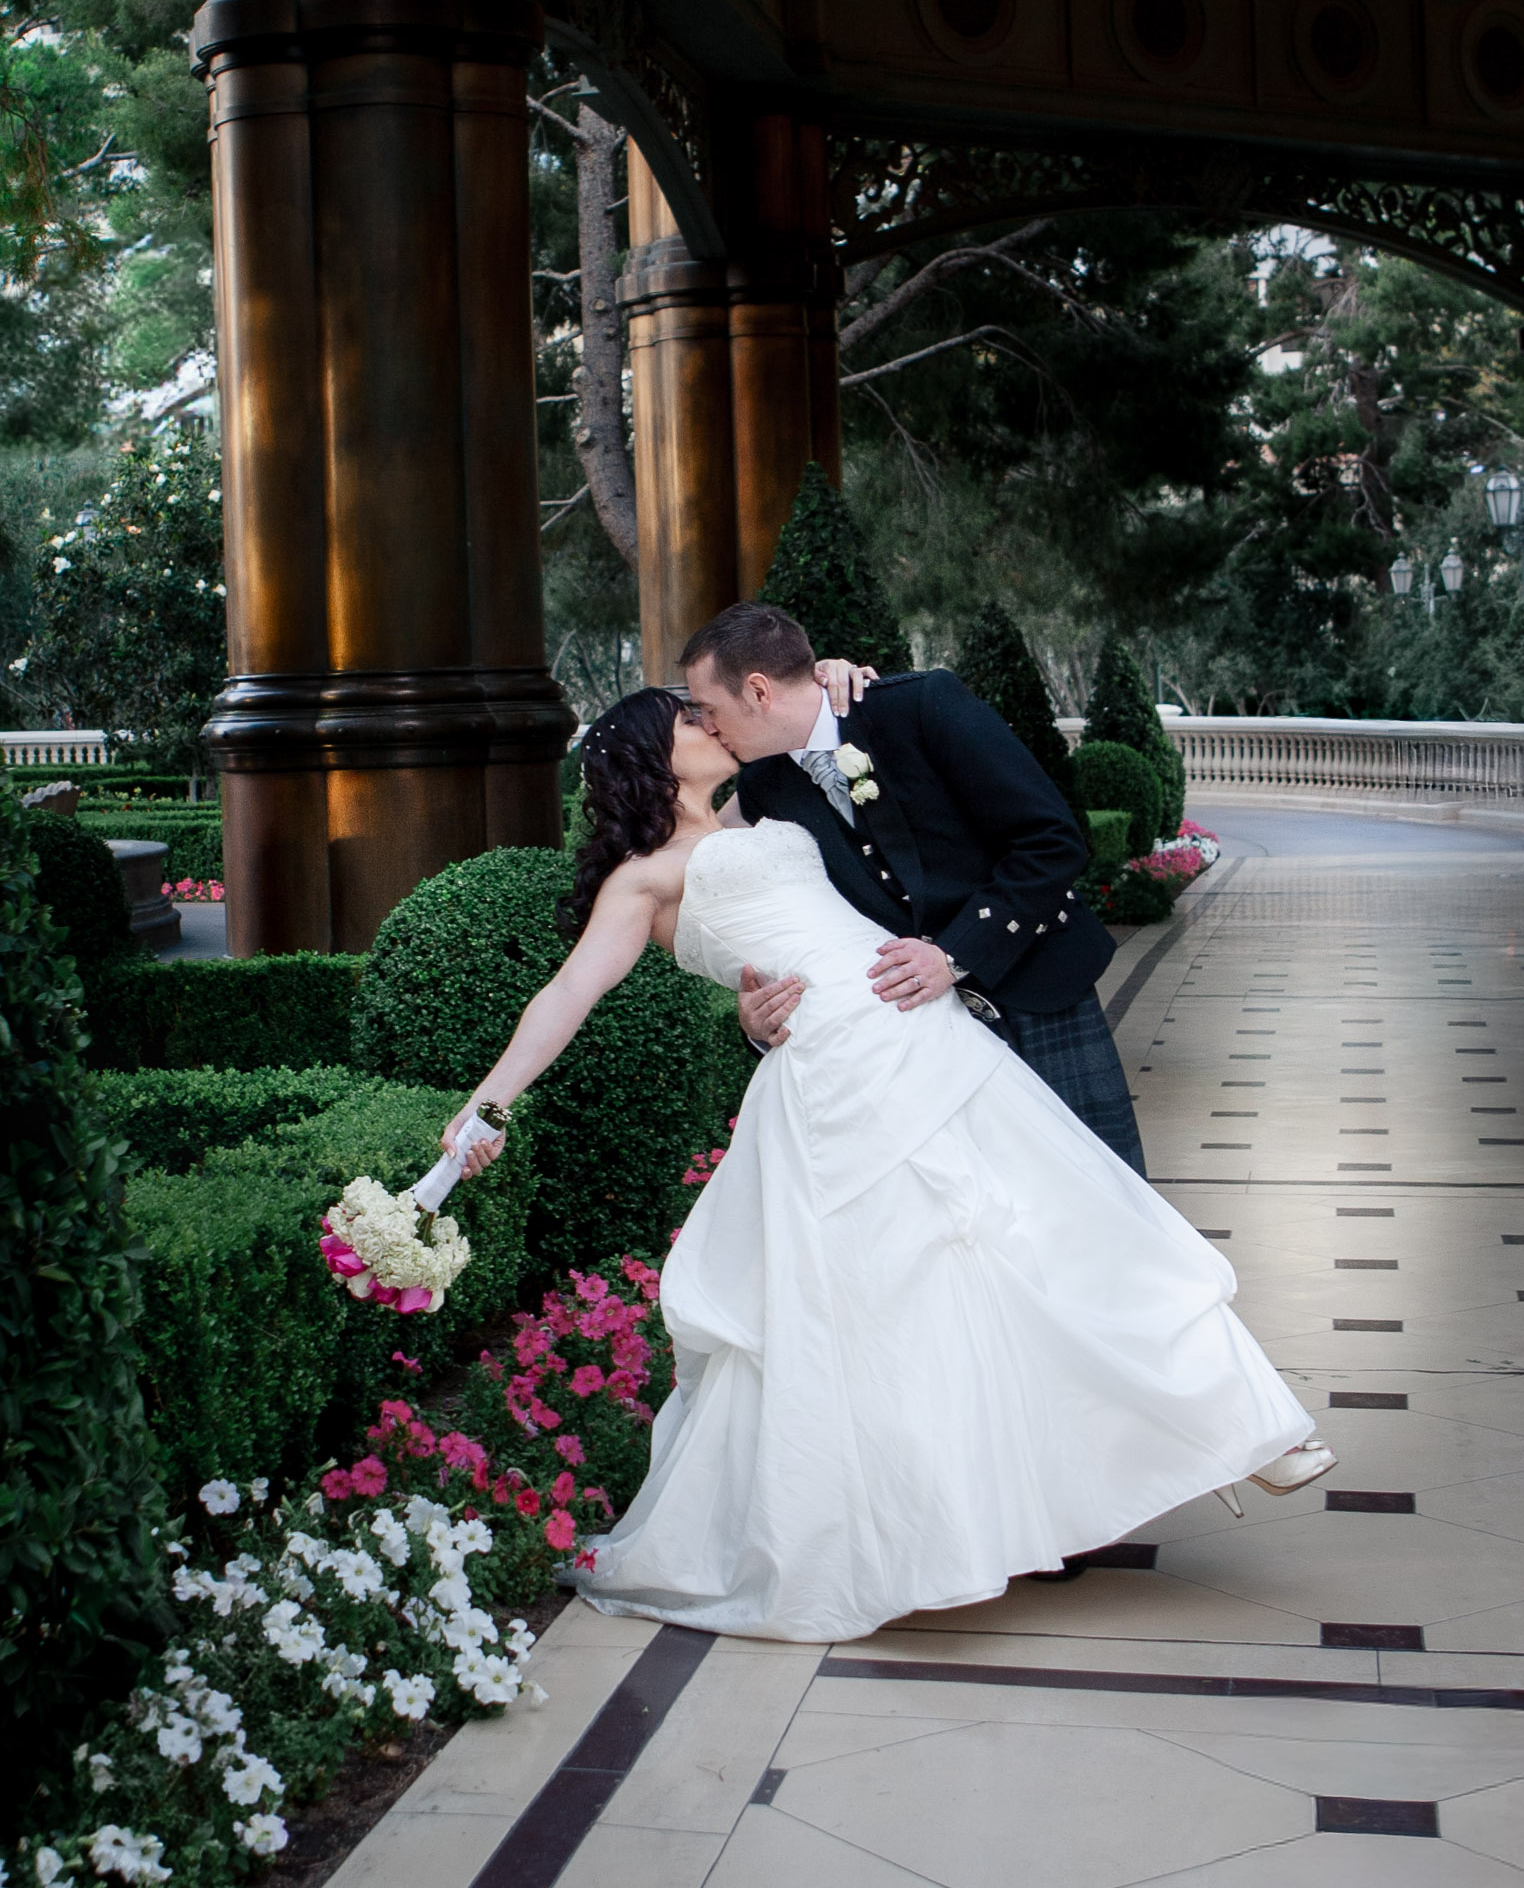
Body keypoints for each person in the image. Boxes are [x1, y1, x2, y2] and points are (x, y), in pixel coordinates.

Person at [443, 684, 1334, 1644]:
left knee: (1064, 1232)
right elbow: (571, 988)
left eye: (712, 710)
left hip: (923, 1031)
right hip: (832, 1078)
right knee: (894, 1300)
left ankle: (1243, 1425)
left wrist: (836, 669)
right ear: (652, 759)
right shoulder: (643, 877)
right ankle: (932, 1527)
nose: (712, 725)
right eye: (690, 723)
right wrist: (485, 1103)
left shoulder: (765, 800)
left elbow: (822, 745)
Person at [684, 602, 1146, 1176]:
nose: (706, 724)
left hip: (1035, 989)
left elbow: (1051, 842)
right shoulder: (765, 784)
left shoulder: (918, 706)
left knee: (1098, 1203)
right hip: (914, 1038)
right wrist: (762, 1018)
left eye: (707, 708)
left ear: (758, 691)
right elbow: (716, 867)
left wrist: (954, 955)